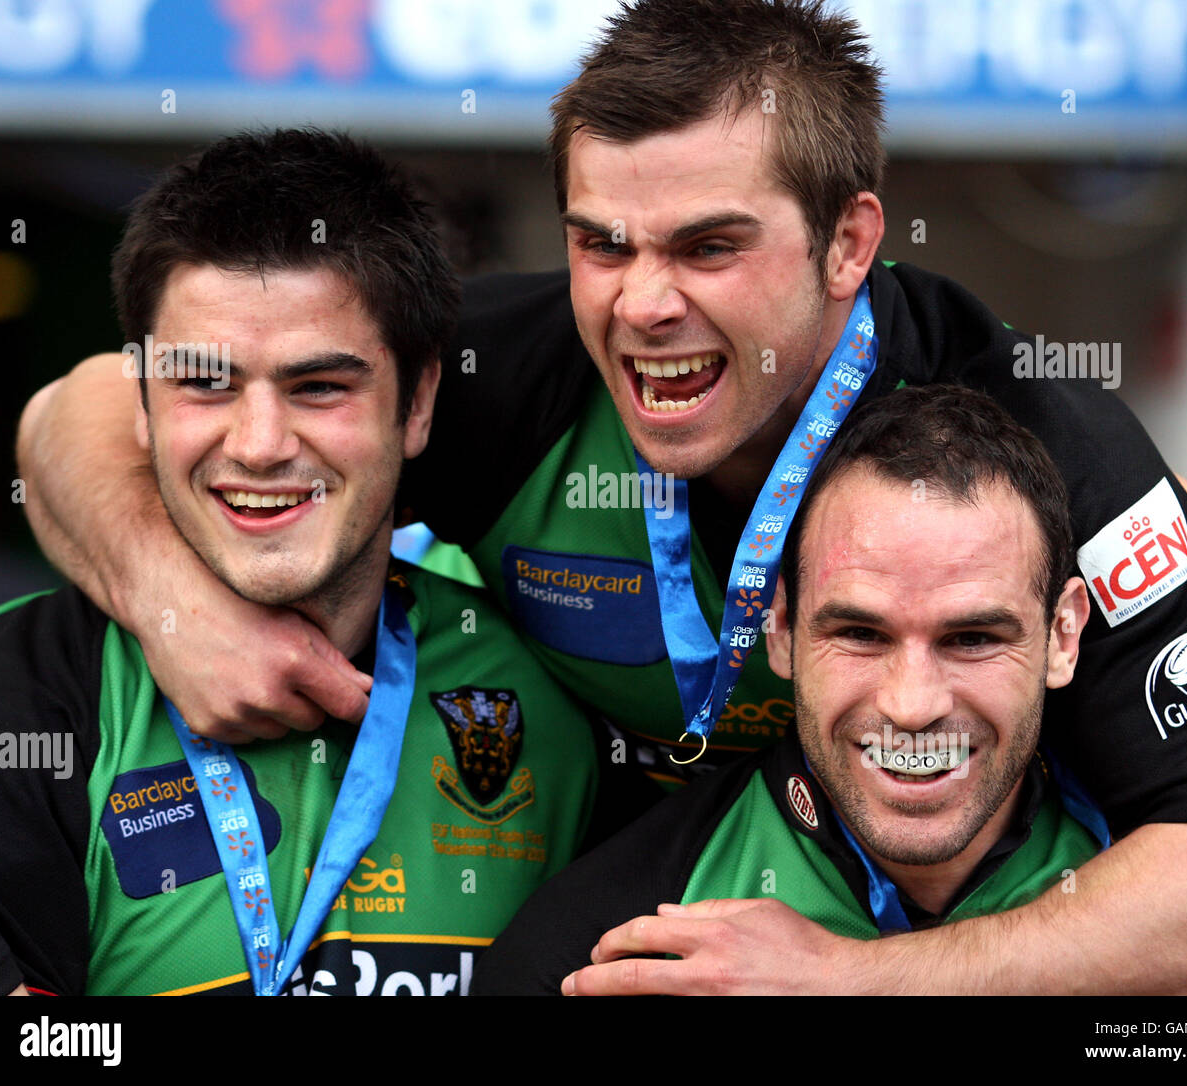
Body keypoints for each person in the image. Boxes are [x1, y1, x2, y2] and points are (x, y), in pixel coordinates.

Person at [15, 0, 1187, 994]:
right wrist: (180, 606)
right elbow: (75, 408)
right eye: (600, 241)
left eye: (708, 245)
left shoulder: (1034, 433)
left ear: (849, 242)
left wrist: (860, 983)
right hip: (605, 894)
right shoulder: (516, 370)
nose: (642, 302)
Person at [0, 129, 596, 996]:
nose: (259, 446)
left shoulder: (556, 693)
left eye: (319, 387)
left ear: (416, 404)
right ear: (141, 404)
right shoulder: (10, 701)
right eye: (205, 384)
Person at [474, 386, 1113, 994]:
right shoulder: (609, 945)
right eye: (861, 633)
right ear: (776, 629)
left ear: (1063, 635)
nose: (913, 706)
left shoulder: (1162, 869)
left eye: (972, 638)